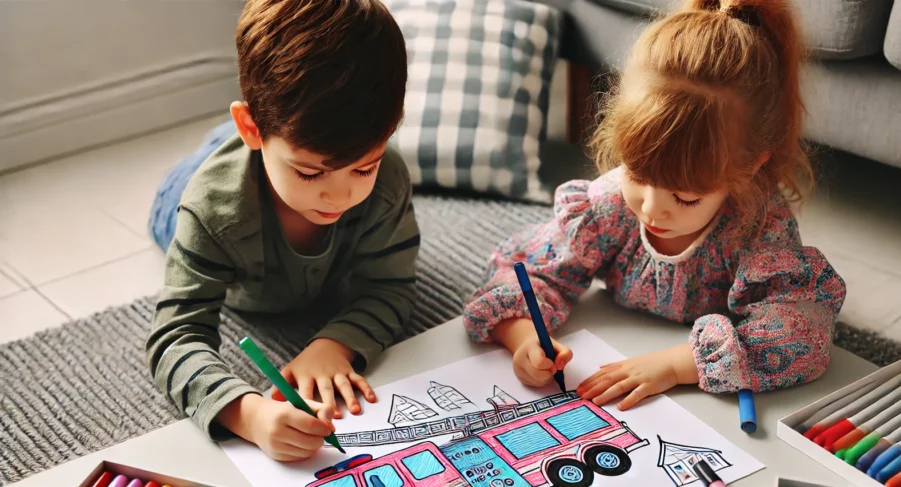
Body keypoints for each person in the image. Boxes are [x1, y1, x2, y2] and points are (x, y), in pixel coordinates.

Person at [464, 0, 846, 410]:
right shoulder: (608, 205)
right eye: (638, 175)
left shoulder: (758, 229)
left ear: (751, 168)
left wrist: (678, 365)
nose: (651, 209)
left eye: (685, 197)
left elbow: (803, 334)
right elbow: (521, 270)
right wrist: (524, 338)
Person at [146, 0, 418, 461]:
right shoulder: (210, 210)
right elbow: (175, 335)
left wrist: (335, 344)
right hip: (179, 198)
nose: (339, 196)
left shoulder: (387, 178)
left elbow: (391, 286)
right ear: (251, 128)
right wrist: (246, 413)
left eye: (363, 167)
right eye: (311, 174)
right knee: (204, 172)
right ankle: (226, 141)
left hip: (267, 142)